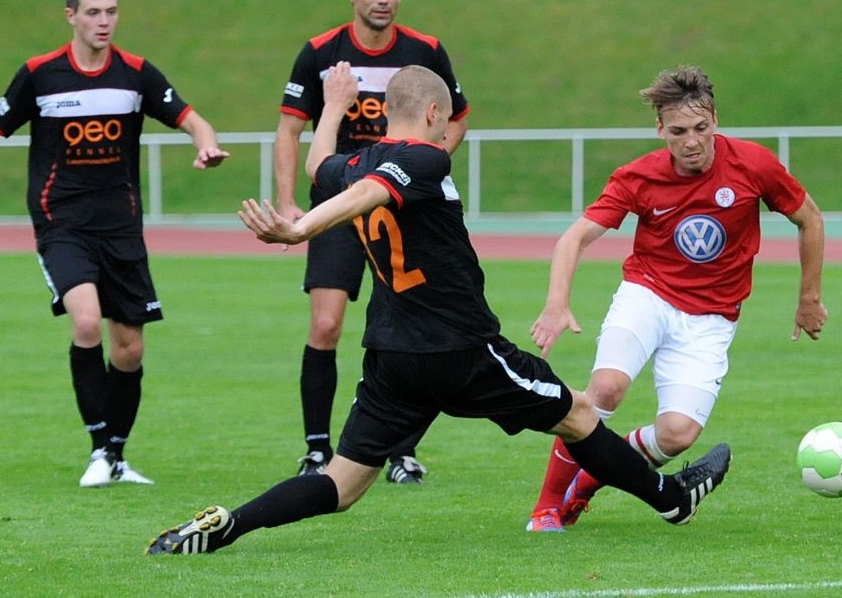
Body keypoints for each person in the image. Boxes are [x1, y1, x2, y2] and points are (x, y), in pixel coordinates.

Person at [145, 63, 730, 555]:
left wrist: (334, 108)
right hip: (461, 349)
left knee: (341, 485)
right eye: (448, 119)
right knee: (578, 414)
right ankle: (672, 500)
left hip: (392, 357)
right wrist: (299, 231)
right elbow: (369, 194)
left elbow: (321, 166)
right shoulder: (425, 160)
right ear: (432, 114)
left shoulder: (358, 161)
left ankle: (229, 524)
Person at [0, 0, 229, 488]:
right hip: (62, 222)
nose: (104, 21)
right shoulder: (41, 74)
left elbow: (193, 119)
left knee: (130, 349)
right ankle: (99, 449)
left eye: (112, 12)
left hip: (121, 226)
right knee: (85, 323)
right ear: (71, 16)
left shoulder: (136, 73)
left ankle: (116, 456)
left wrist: (205, 146)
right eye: (94, 12)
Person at [524, 65, 826, 532]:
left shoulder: (754, 165)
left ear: (715, 120)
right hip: (648, 294)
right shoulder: (638, 176)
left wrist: (809, 298)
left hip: (712, 318)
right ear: (660, 129)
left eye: (701, 128)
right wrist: (556, 302)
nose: (692, 142)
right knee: (606, 388)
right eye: (679, 131)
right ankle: (546, 508)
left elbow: (810, 219)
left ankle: (586, 482)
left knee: (677, 435)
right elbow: (575, 238)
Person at [273, 0, 469, 483]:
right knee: (326, 324)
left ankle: (401, 452)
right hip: (340, 202)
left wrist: (423, 167)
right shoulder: (321, 53)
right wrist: (288, 202)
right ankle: (317, 450)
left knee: (408, 325)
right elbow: (290, 129)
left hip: (402, 209)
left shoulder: (425, 51)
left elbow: (457, 119)